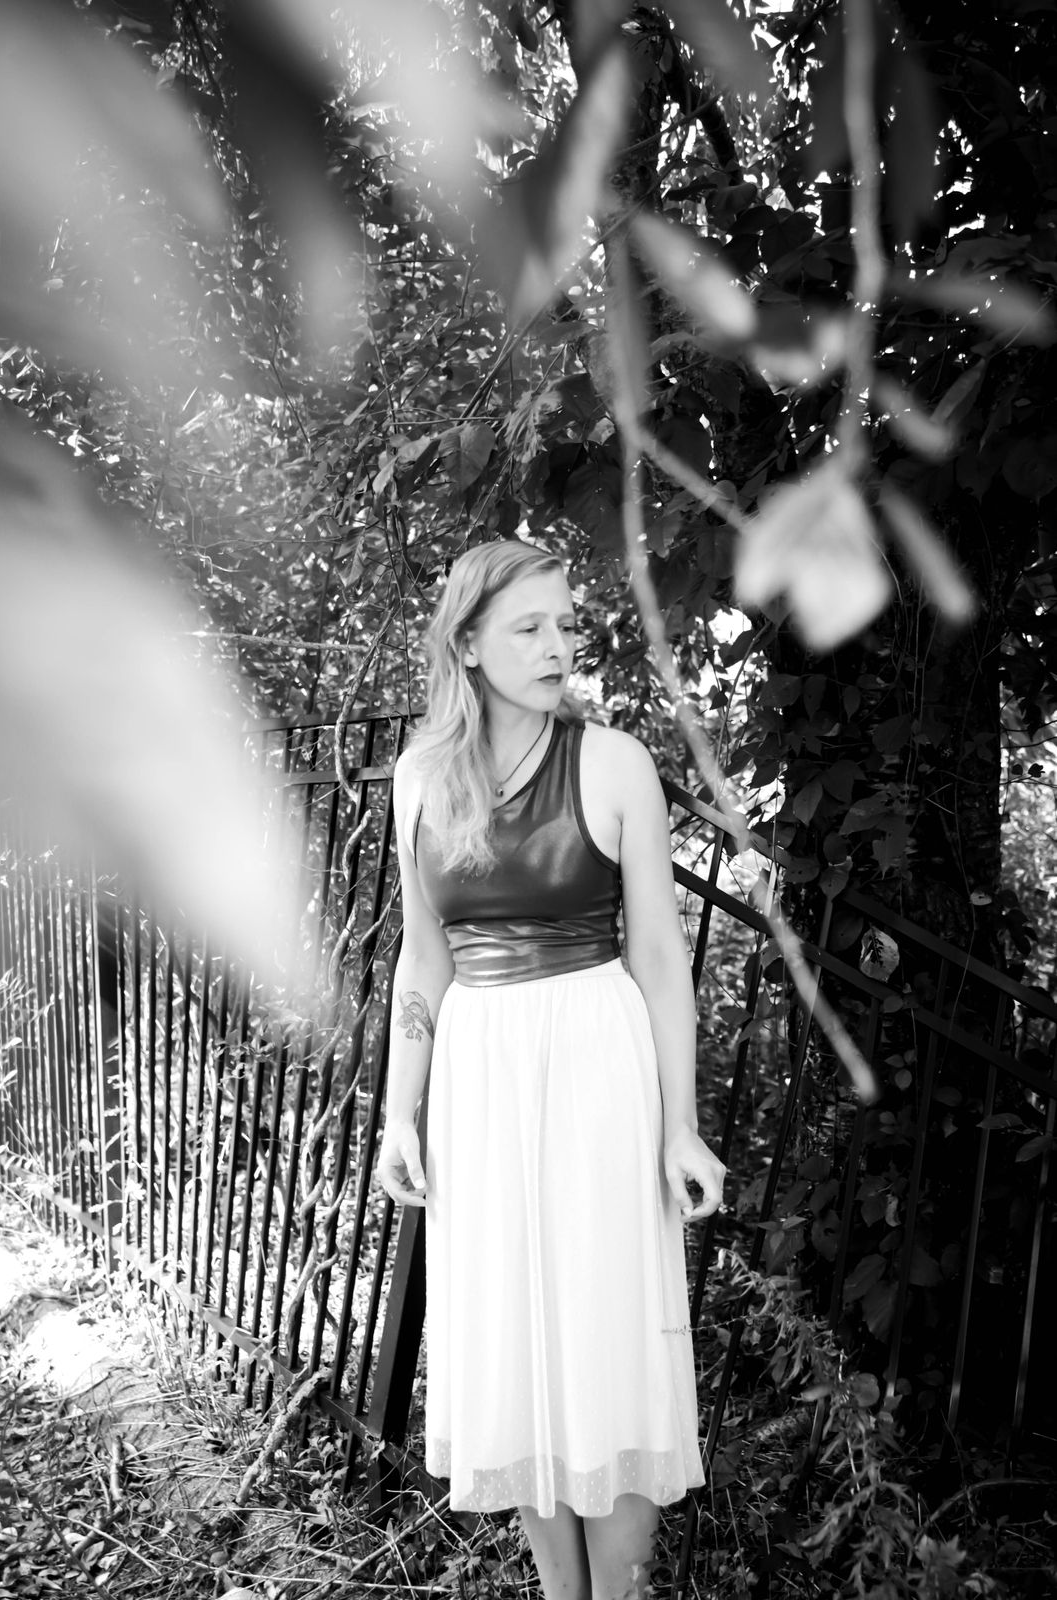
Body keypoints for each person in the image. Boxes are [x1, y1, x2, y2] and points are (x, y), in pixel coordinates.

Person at [375, 539, 727, 1600]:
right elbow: (423, 959)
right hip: (479, 1086)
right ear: (466, 644)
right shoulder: (419, 778)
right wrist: (401, 1114)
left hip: (594, 1074)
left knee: (604, 1343)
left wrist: (679, 1125)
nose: (556, 646)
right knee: (515, 1344)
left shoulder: (612, 762)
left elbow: (657, 954)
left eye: (565, 624)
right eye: (527, 627)